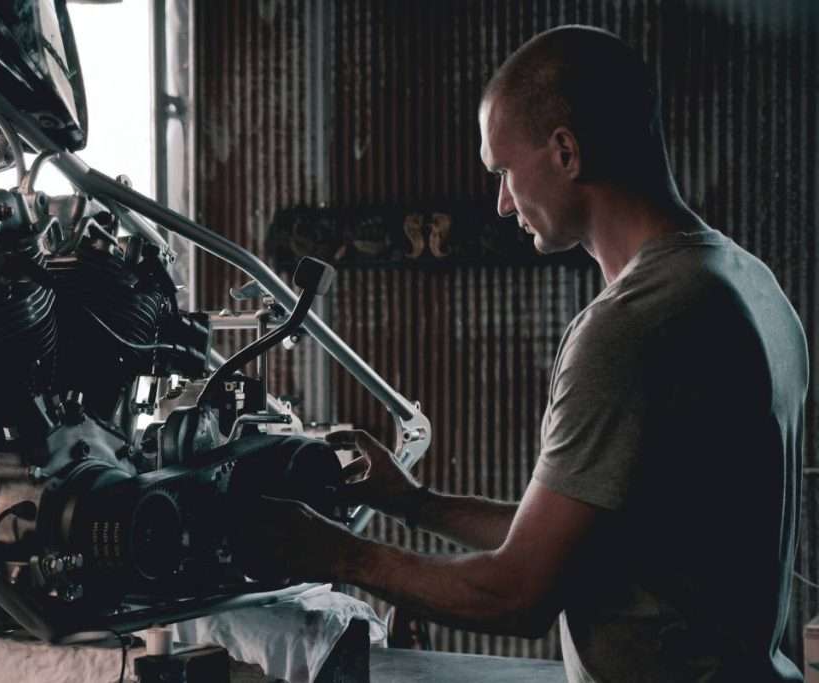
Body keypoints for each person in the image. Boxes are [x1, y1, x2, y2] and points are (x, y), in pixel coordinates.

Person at [242, 25, 807, 682]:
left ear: (566, 152)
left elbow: (518, 590)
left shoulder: (632, 327)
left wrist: (333, 554)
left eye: (504, 171)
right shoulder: (748, 282)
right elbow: (583, 546)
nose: (503, 201)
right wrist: (413, 502)